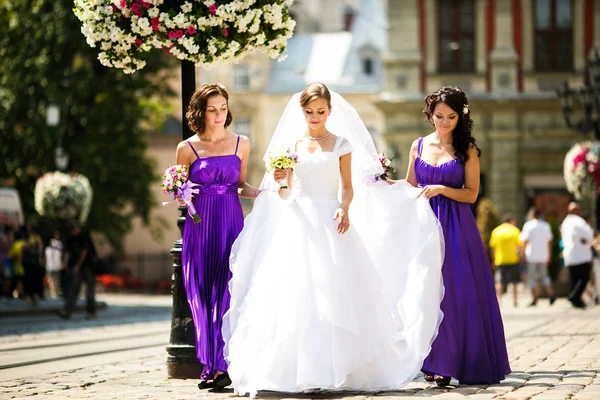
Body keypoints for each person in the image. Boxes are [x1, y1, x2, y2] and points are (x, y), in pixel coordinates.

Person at [223, 83, 445, 397]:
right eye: (310, 111)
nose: (315, 117)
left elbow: (348, 187)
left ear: (330, 111)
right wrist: (281, 182)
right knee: (298, 293)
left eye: (321, 111)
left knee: (335, 292)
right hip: (298, 222)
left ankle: (340, 368)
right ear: (302, 111)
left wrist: (344, 208)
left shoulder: (341, 143)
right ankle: (300, 370)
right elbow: (285, 194)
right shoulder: (292, 146)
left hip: (331, 218)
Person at [409, 86, 510, 386]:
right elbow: (410, 188)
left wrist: (440, 189)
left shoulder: (468, 150)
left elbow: (471, 194)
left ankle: (450, 362)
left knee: (455, 293)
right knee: (427, 293)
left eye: (451, 117)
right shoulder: (417, 146)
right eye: (439, 116)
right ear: (430, 115)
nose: (444, 122)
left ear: (460, 116)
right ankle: (431, 359)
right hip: (425, 227)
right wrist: (378, 178)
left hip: (457, 229)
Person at [174, 83, 259, 391]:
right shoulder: (187, 148)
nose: (219, 114)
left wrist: (265, 194)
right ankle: (209, 365)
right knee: (200, 293)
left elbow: (240, 185)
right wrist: (180, 196)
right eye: (212, 109)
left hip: (231, 222)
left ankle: (224, 364)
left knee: (228, 292)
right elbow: (178, 189)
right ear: (201, 112)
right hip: (199, 226)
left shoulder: (242, 144)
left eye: (223, 108)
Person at [59, 223, 97, 319]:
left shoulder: (84, 236)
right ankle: (67, 311)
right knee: (73, 289)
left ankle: (91, 312)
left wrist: (77, 265)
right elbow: (68, 253)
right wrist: (65, 265)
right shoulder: (70, 239)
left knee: (90, 291)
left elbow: (84, 252)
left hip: (88, 267)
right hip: (77, 268)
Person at [560, 201, 594, 309]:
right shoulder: (578, 221)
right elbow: (588, 235)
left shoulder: (565, 222)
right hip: (580, 255)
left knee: (575, 278)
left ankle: (577, 300)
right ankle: (574, 297)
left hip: (570, 254)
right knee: (584, 277)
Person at [520, 208, 555, 306]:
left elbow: (525, 242)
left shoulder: (528, 225)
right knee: (544, 276)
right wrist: (549, 255)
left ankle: (534, 299)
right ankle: (551, 294)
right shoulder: (546, 225)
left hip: (531, 256)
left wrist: (522, 255)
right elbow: (549, 242)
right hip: (543, 255)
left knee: (531, 278)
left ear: (532, 215)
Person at [490, 214, 522, 307]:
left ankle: (499, 300)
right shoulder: (514, 230)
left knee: (499, 281)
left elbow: (493, 247)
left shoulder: (496, 231)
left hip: (500, 259)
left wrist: (493, 259)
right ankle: (515, 300)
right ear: (511, 221)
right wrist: (520, 256)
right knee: (514, 281)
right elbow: (519, 246)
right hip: (513, 259)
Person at [45, 231, 64, 299]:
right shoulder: (50, 249)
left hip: (55, 266)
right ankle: (53, 292)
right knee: (53, 280)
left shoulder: (48, 249)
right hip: (53, 266)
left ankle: (54, 292)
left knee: (55, 279)